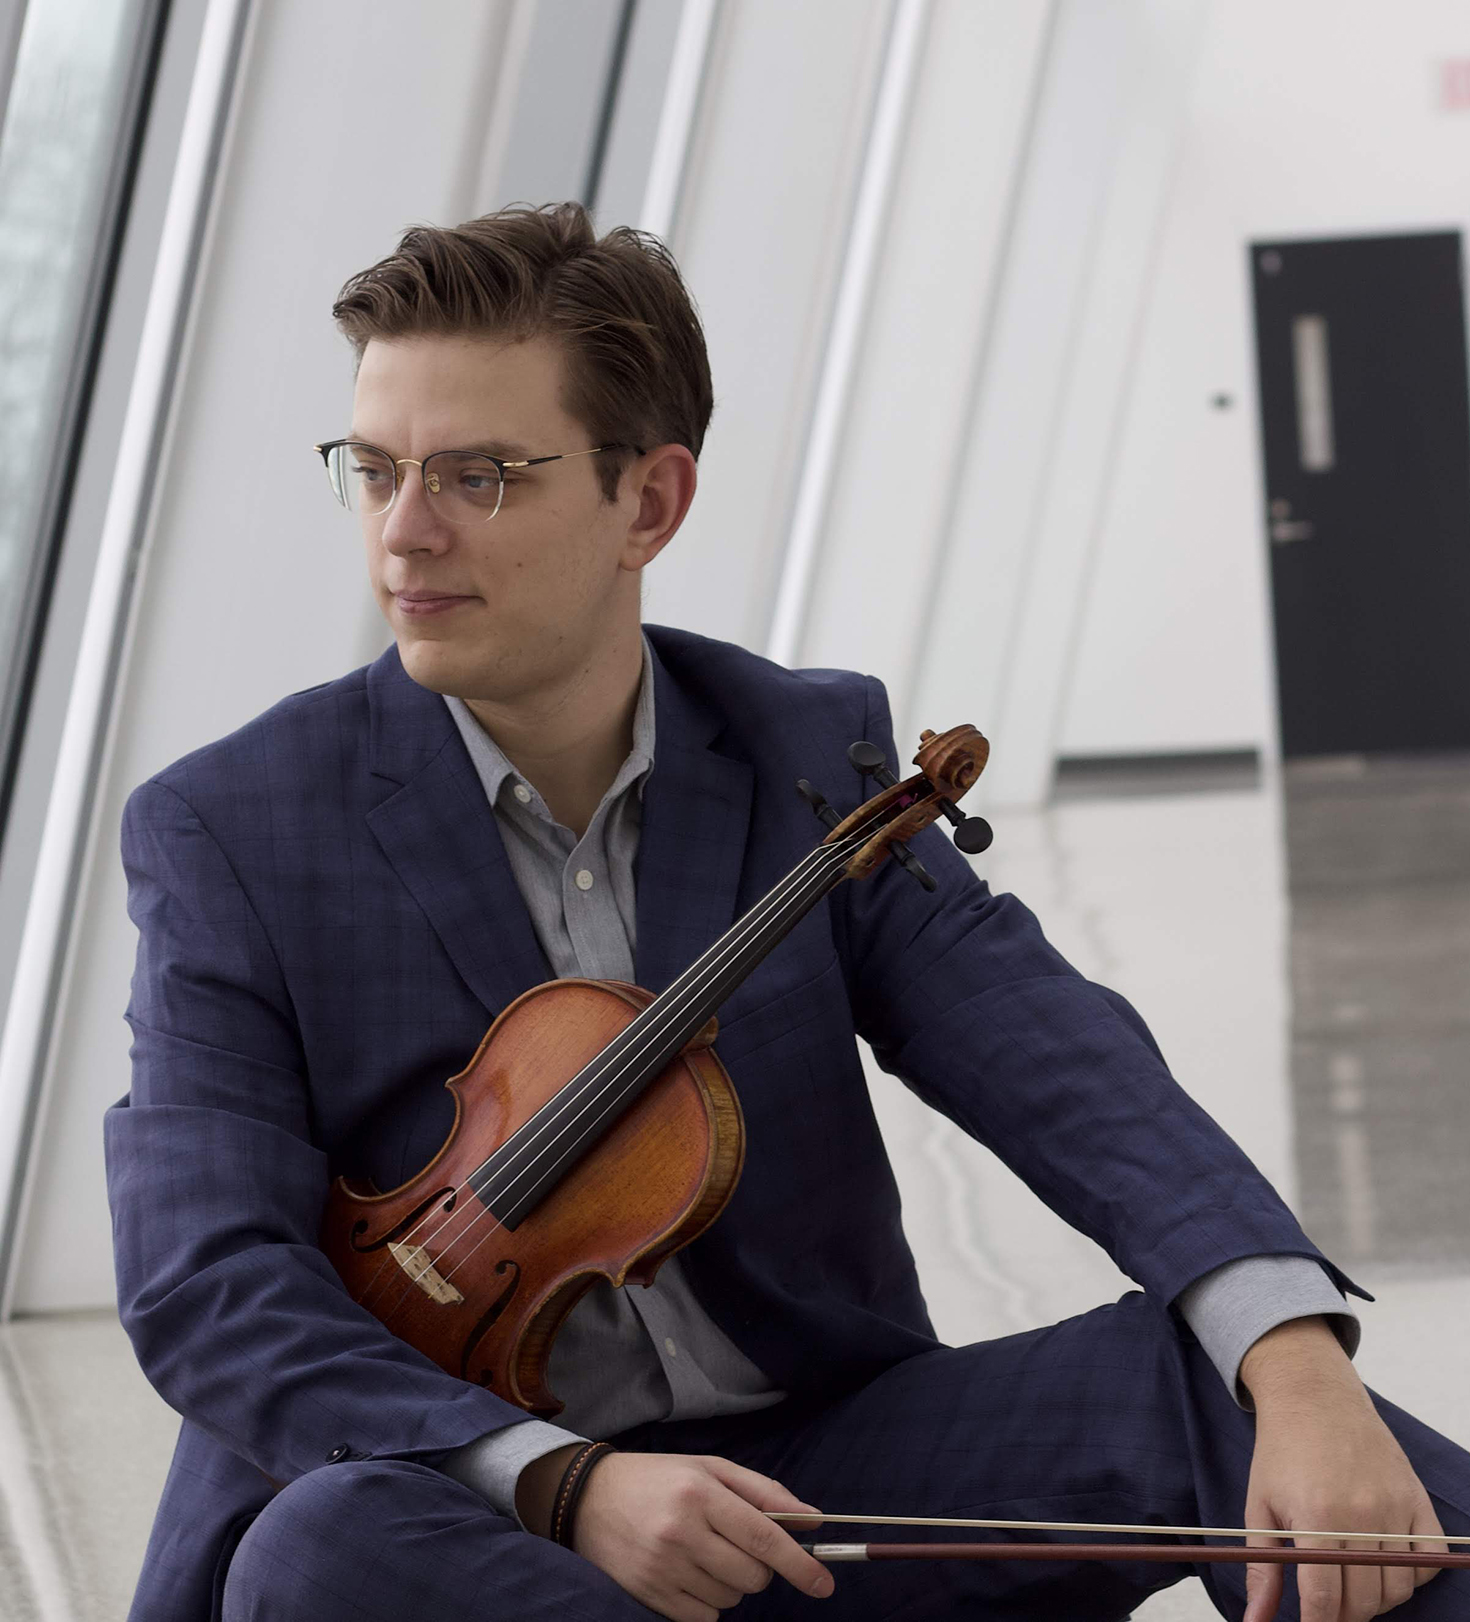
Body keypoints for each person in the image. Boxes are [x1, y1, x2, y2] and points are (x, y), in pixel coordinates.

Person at [105, 202, 1470, 1622]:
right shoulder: (233, 828)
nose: (404, 531)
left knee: (1207, 1388)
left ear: (649, 502)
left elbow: (1062, 1062)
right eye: (376, 470)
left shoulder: (808, 758)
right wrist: (565, 1483)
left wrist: (1296, 1366)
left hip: (810, 1489)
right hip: (481, 1516)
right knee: (322, 1548)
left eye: (478, 476)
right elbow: (209, 1281)